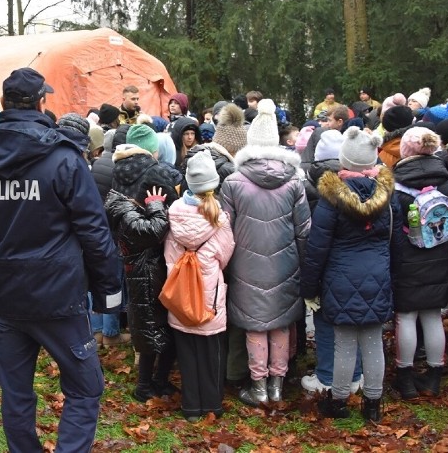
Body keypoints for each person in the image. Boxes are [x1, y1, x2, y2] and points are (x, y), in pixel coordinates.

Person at [0, 67, 122, 453]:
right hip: (55, 297)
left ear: (5, 103)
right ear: (42, 103)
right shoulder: (62, 157)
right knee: (84, 386)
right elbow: (95, 232)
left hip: (11, 294)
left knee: (16, 392)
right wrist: (109, 290)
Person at [301, 128, 397, 422]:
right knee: (372, 342)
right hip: (377, 274)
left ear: (344, 161)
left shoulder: (331, 199)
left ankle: (339, 401)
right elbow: (395, 238)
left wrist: (309, 288)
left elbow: (317, 247)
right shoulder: (387, 197)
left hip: (340, 277)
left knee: (344, 342)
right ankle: (372, 404)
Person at [220, 99, 310, 405]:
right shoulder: (295, 181)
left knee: (254, 326)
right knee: (281, 324)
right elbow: (303, 230)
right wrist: (301, 261)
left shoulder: (232, 182)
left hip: (245, 264)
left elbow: (225, 229)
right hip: (286, 263)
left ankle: (258, 387)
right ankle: (277, 385)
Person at [391, 127, 448, 399]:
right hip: (440, 258)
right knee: (433, 315)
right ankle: (434, 377)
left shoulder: (395, 185)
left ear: (405, 151)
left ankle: (406, 378)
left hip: (407, 261)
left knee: (407, 317)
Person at [109, 123, 180, 401]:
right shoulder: (157, 172)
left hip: (130, 254)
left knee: (144, 318)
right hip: (159, 254)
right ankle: (152, 383)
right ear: (153, 149)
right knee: (165, 318)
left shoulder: (119, 173)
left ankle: (148, 382)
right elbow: (174, 205)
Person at [165, 151, 235, 421]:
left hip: (181, 293)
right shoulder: (219, 218)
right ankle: (212, 404)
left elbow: (169, 257)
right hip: (210, 294)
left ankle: (191, 407)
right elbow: (225, 255)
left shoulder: (174, 214)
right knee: (212, 351)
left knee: (186, 352)